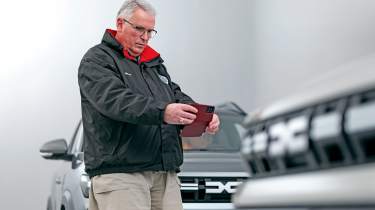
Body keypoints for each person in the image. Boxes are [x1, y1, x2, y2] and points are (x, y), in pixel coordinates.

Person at [77, 0, 220, 210]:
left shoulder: (154, 65)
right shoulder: (97, 60)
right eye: (139, 29)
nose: (145, 37)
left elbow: (175, 95)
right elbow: (116, 101)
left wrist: (199, 115)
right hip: (122, 175)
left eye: (150, 31)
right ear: (120, 24)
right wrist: (164, 112)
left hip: (164, 174)